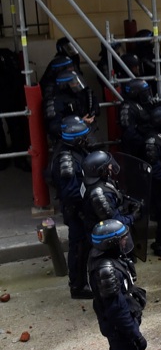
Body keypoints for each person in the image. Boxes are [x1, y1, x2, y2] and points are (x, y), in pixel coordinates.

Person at [87, 219, 147, 350]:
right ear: (111, 243)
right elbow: (117, 310)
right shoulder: (107, 270)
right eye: (121, 239)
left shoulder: (109, 259)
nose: (125, 242)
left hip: (119, 325)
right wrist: (134, 334)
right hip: (120, 328)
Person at [49, 117, 92, 298]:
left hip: (81, 208)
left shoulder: (75, 150)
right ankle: (78, 286)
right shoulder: (66, 159)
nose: (87, 139)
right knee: (79, 248)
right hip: (76, 210)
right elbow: (70, 192)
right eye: (83, 136)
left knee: (84, 246)